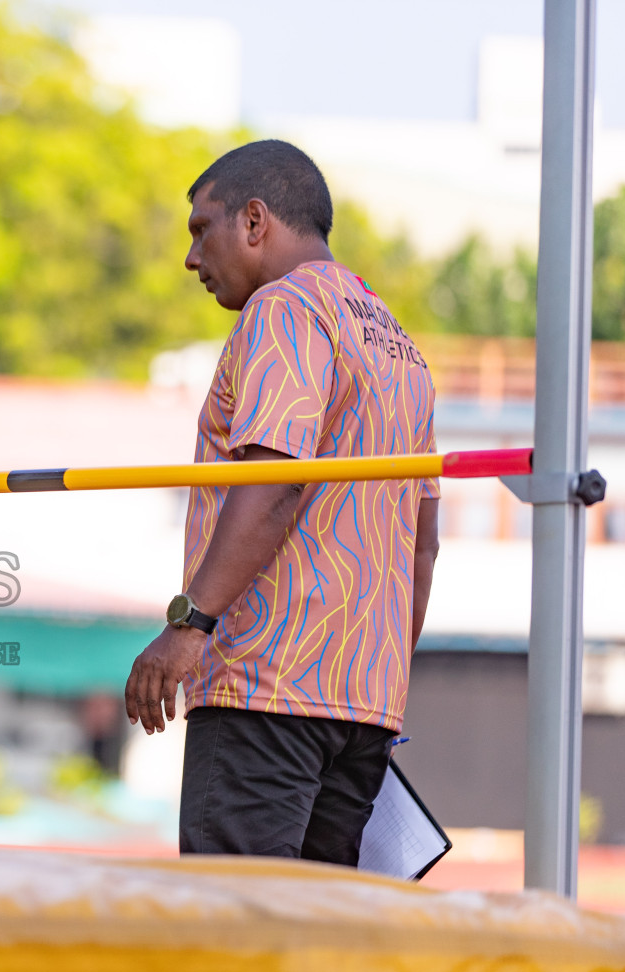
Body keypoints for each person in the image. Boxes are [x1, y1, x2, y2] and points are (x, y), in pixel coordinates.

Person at [124, 140, 441, 865]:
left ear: (256, 221)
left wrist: (189, 622)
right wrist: (379, 688)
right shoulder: (400, 346)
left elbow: (275, 479)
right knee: (312, 950)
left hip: (265, 688)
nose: (191, 258)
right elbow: (421, 546)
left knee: (235, 944)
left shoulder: (285, 309)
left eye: (202, 229)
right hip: (362, 707)